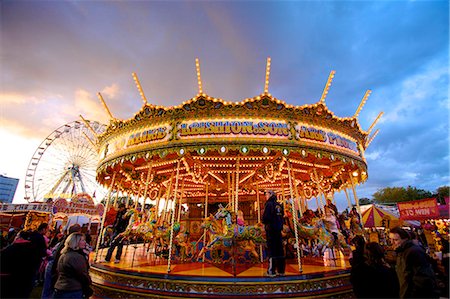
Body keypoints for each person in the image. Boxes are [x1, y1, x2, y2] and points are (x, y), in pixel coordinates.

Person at [389, 226, 439, 298]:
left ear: (405, 239)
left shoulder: (413, 252)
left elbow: (422, 279)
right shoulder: (401, 251)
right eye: (390, 239)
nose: (392, 242)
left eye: (395, 240)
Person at [42, 223, 82, 299]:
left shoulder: (64, 240)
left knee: (49, 290)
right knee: (50, 290)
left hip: (54, 266)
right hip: (56, 267)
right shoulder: (68, 243)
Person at [0, 230, 39, 298]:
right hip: (25, 282)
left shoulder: (9, 250)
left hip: (9, 283)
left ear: (19, 237)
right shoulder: (33, 250)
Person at [53, 232, 92, 299]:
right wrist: (88, 282)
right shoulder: (76, 257)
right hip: (72, 290)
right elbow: (82, 274)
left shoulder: (64, 254)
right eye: (82, 240)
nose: (85, 242)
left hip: (60, 287)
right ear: (76, 242)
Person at [262, 190, 285, 277]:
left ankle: (271, 271)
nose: (266, 196)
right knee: (279, 249)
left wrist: (264, 222)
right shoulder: (278, 205)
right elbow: (281, 215)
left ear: (271, 194)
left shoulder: (269, 204)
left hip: (271, 229)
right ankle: (281, 270)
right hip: (278, 229)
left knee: (272, 249)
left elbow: (265, 217)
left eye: (266, 194)